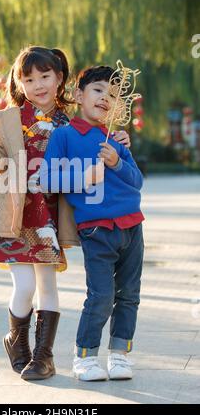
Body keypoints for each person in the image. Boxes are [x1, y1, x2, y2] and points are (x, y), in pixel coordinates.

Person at [0, 49, 131, 381]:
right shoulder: (8, 119)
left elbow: (98, 142)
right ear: (19, 82)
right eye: (28, 79)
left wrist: (120, 141)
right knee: (24, 285)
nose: (37, 84)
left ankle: (44, 356)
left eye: (45, 76)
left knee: (47, 283)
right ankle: (16, 339)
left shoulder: (71, 122)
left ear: (59, 79)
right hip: (16, 215)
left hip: (50, 217)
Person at [40, 65, 144, 381]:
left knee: (129, 294)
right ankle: (85, 356)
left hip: (132, 226)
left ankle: (119, 355)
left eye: (113, 95)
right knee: (100, 295)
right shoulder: (64, 136)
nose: (105, 98)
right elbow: (46, 179)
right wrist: (83, 177)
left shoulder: (114, 138)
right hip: (96, 228)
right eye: (99, 90)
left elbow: (136, 181)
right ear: (78, 94)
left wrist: (117, 160)